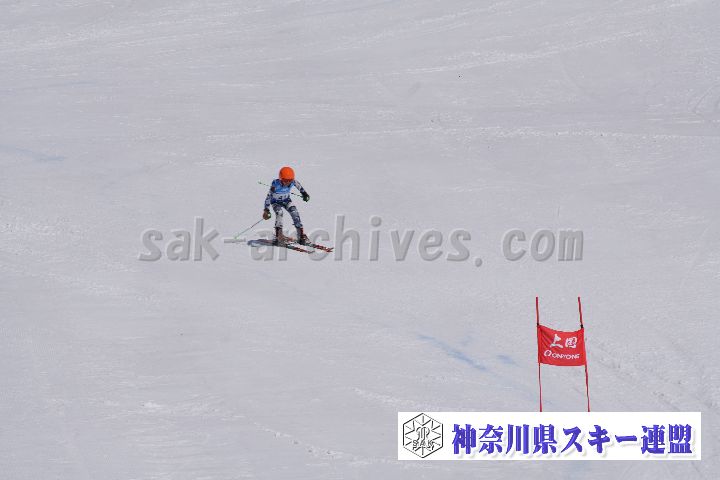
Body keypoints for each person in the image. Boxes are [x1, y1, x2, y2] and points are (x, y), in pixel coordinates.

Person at [263, 166, 310, 244]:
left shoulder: (293, 182)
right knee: (279, 213)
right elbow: (268, 197)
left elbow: (299, 186)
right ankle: (278, 236)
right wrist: (266, 210)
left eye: (290, 180)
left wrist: (304, 194)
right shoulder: (275, 184)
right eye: (285, 180)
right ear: (281, 179)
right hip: (275, 202)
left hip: (286, 201)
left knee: (295, 213)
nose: (288, 183)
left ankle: (301, 235)